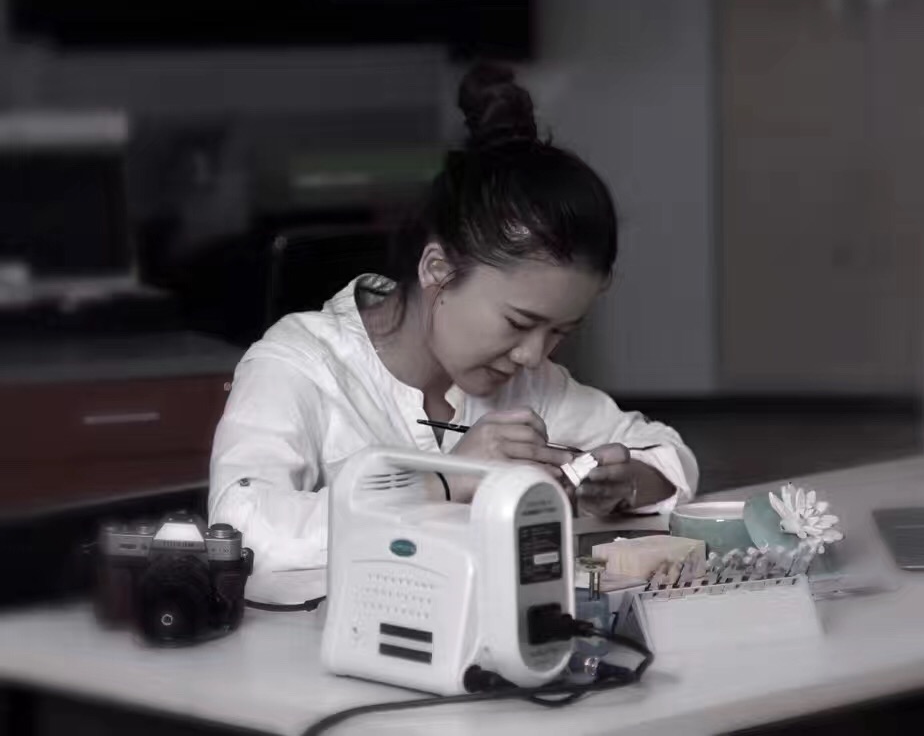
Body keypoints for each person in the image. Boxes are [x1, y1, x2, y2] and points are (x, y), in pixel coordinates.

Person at [209, 64, 698, 604]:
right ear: (437, 270)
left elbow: (668, 453)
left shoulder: (531, 386)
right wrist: (447, 479)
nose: (533, 354)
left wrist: (627, 481)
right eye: (519, 323)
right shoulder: (301, 364)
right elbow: (241, 532)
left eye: (560, 330)